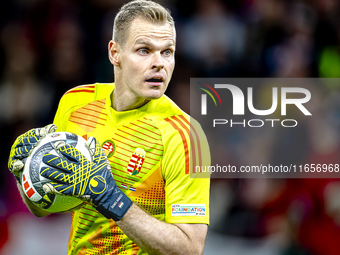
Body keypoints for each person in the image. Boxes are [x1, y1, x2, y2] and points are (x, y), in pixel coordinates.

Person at [8, 0, 211, 254]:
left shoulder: (186, 136)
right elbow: (45, 206)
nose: (159, 63)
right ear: (115, 53)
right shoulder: (75, 102)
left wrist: (109, 198)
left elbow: (190, 248)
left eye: (167, 51)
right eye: (144, 50)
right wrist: (27, 174)